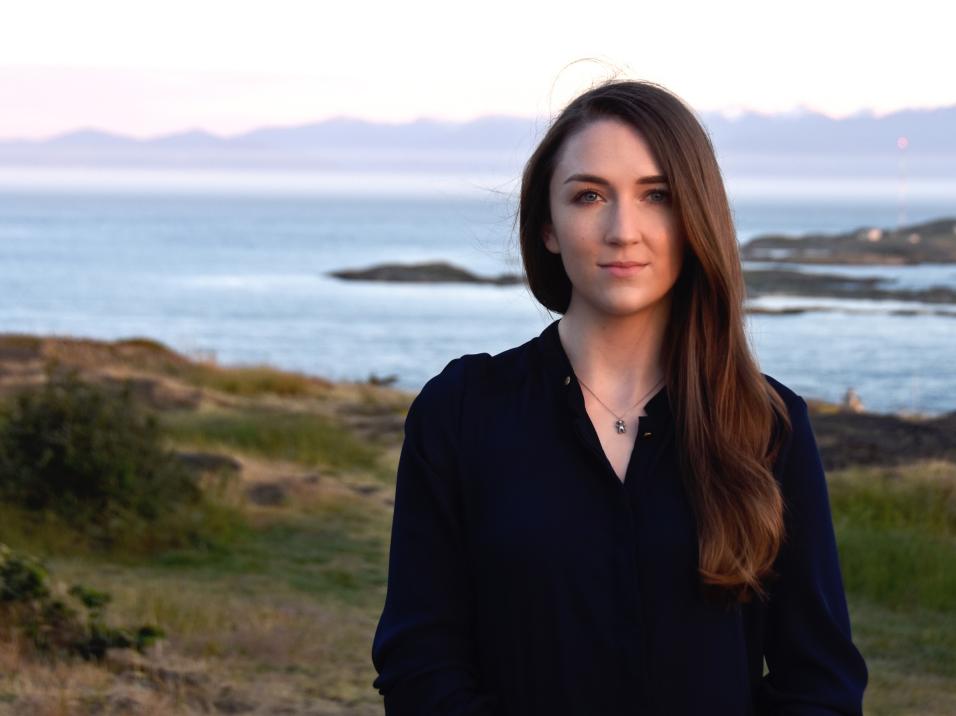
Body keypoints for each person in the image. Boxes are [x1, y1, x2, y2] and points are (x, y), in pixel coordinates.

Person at [370, 79, 868, 715]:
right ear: (547, 226)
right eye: (589, 196)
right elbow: (420, 666)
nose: (622, 230)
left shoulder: (768, 426)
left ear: (694, 219)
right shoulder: (463, 411)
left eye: (656, 195)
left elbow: (821, 685)